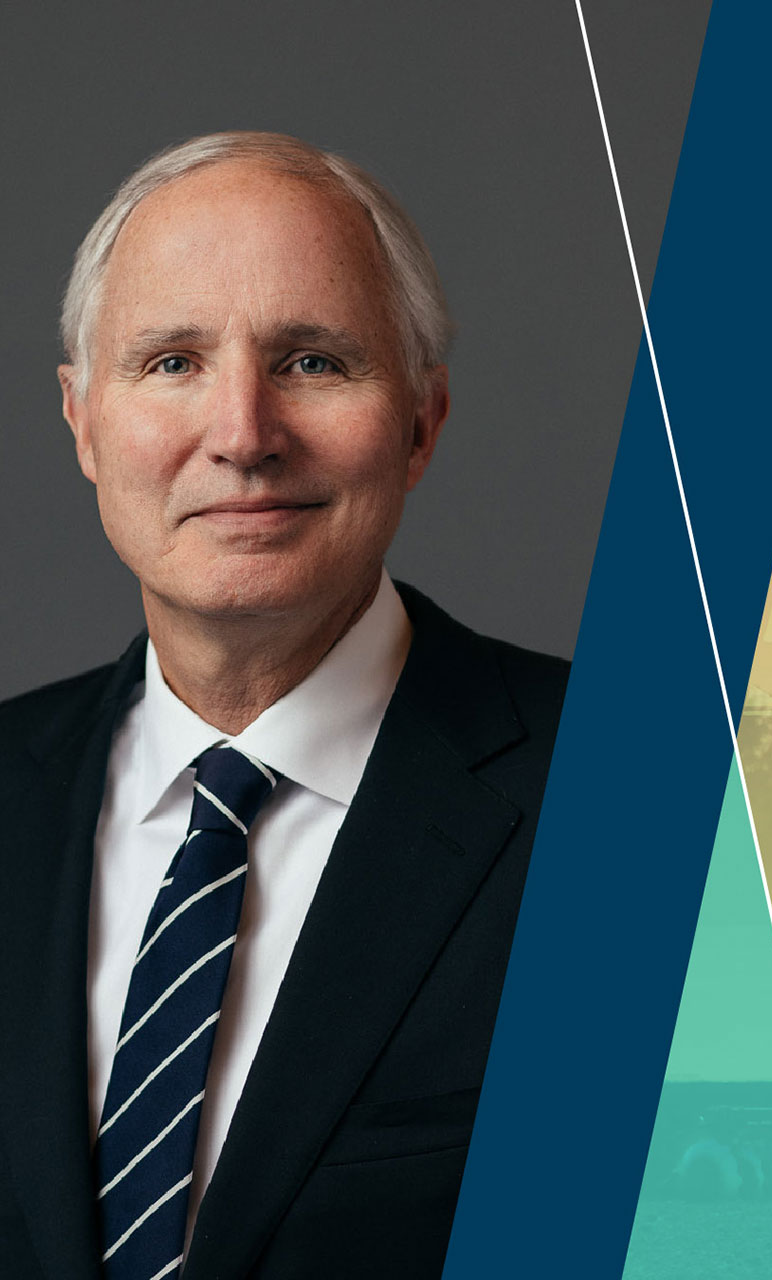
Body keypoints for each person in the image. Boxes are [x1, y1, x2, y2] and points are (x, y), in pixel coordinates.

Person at [0, 132, 569, 1279]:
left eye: (313, 361)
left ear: (421, 420)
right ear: (82, 422)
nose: (245, 433)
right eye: (171, 362)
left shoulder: (652, 799)